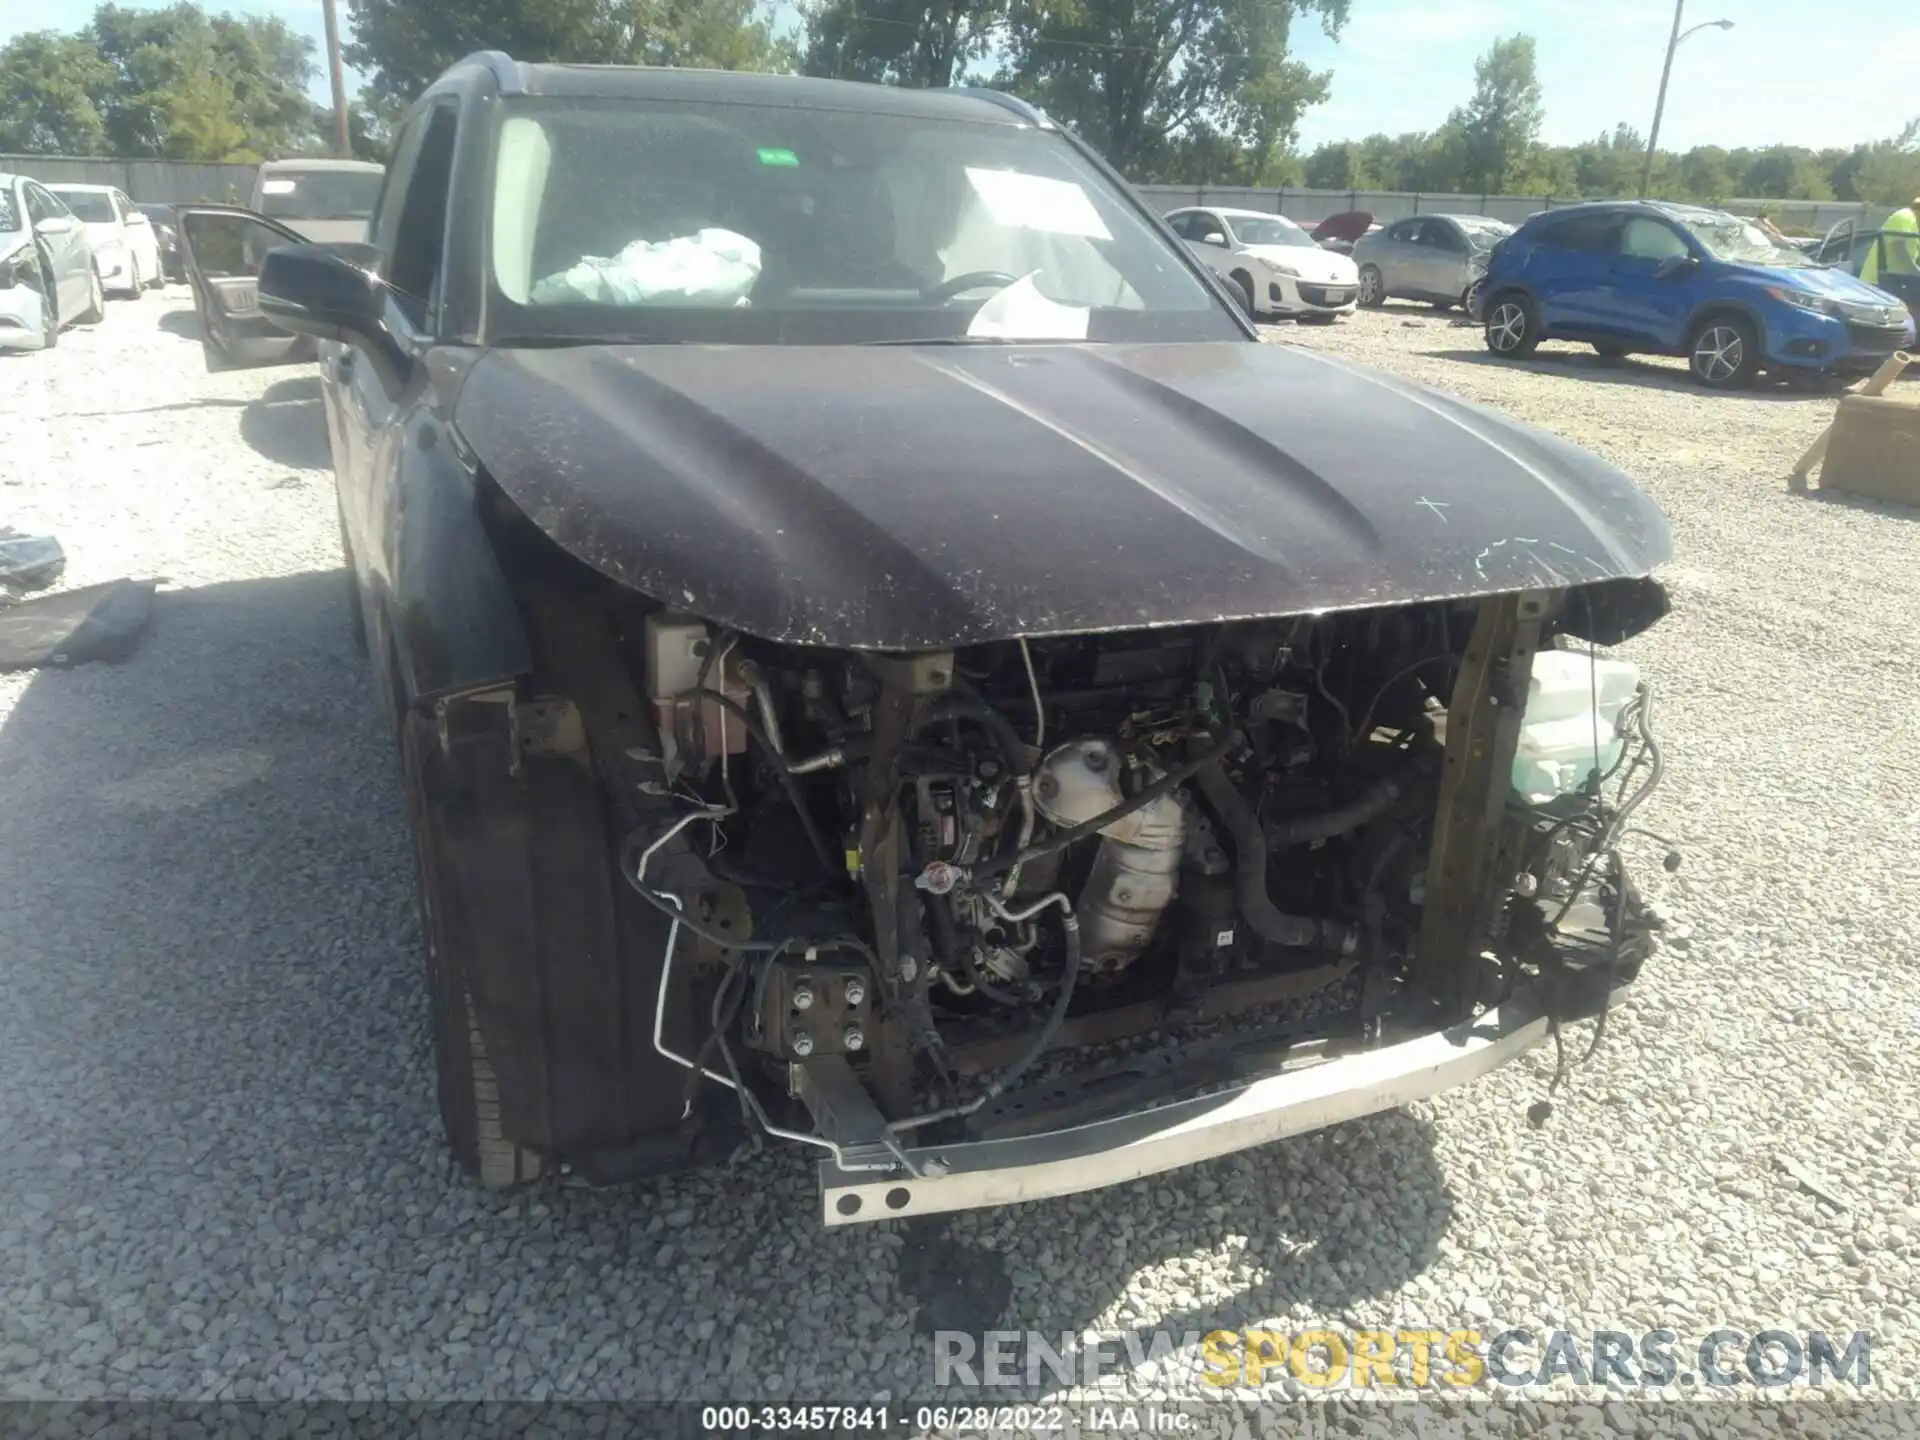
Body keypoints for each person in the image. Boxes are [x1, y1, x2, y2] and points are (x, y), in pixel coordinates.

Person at [1861, 196, 1919, 286]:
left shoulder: (1914, 224)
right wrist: (1916, 272)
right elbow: (1899, 249)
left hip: (1892, 281)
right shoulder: (1906, 216)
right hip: (1877, 282)